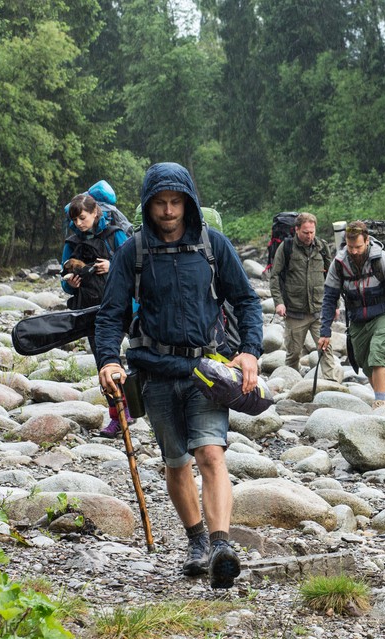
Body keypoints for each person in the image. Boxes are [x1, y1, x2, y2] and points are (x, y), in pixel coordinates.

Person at [95, 162, 263, 590]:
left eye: (176, 202)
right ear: (147, 205)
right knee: (176, 462)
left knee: (211, 454)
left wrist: (249, 352)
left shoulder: (213, 245)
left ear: (189, 203)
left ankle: (222, 546)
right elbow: (110, 314)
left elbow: (246, 301)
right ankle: (197, 541)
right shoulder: (131, 252)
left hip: (208, 370)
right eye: (160, 203)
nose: (168, 211)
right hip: (155, 371)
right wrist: (108, 361)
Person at [317, 221, 385, 410]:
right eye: (350, 246)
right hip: (357, 318)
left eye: (358, 247)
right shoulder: (338, 264)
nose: (354, 251)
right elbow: (330, 298)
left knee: (378, 352)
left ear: (367, 240)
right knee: (364, 362)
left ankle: (379, 403)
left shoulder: (383, 259)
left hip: (383, 314)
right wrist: (325, 331)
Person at [61, 193, 131, 438]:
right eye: (75, 219)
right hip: (91, 309)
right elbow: (64, 283)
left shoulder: (115, 235)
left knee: (141, 356)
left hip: (122, 306)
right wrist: (72, 284)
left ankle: (142, 407)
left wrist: (112, 267)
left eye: (83, 217)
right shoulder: (72, 242)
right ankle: (119, 416)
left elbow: (135, 265)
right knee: (104, 361)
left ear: (95, 213)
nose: (79, 223)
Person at [269, 212, 337, 377]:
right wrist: (279, 302)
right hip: (294, 311)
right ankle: (290, 384)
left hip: (319, 309)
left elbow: (333, 277)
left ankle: (331, 382)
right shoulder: (286, 248)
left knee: (326, 349)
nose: (309, 236)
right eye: (306, 232)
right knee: (293, 353)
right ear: (297, 229)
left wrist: (336, 305)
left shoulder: (322, 247)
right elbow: (275, 275)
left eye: (312, 232)